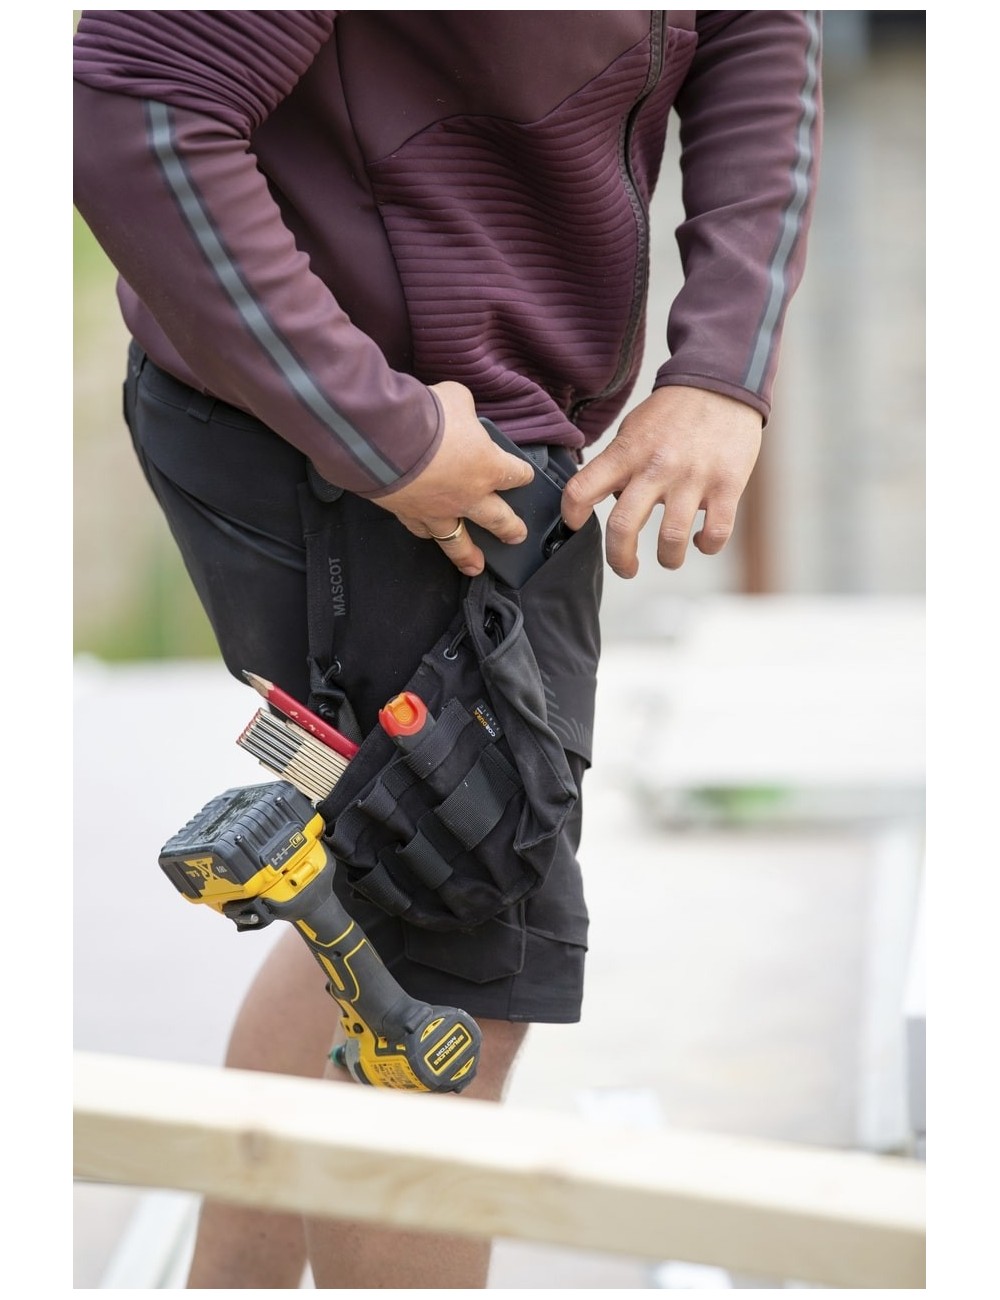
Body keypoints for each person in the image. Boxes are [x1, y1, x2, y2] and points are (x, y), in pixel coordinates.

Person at [73, 10, 823, 1289]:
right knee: (449, 977)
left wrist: (723, 364)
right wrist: (374, 427)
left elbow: (754, 26)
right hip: (383, 445)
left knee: (386, 902)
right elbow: (134, 98)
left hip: (465, 432)